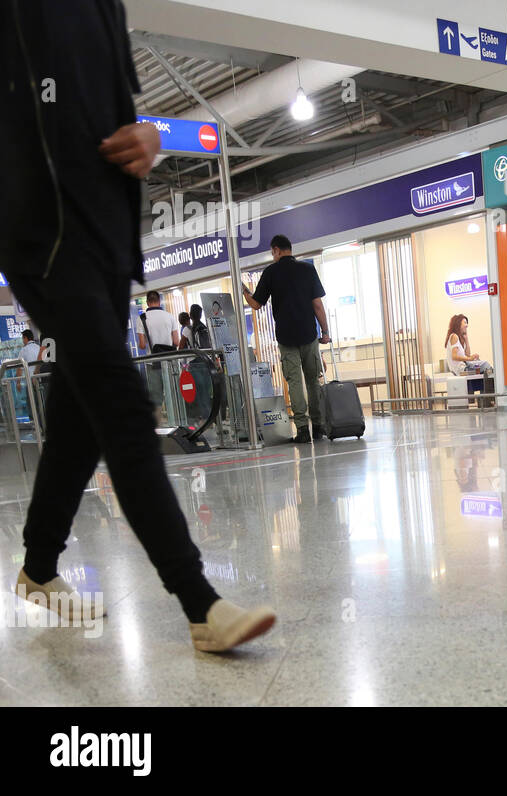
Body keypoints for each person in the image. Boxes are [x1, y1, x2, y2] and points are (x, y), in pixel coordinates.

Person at [0, 0, 274, 651]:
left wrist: (150, 137)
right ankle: (199, 602)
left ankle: (38, 569)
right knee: (122, 402)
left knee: (78, 411)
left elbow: (107, 115)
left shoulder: (105, 9)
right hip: (43, 231)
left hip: (104, 234)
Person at [241, 234, 330, 443]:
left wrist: (244, 290)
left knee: (295, 383)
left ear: (276, 250)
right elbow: (317, 305)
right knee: (313, 381)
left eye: (273, 253)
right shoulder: (307, 270)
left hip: (286, 337)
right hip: (309, 334)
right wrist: (325, 332)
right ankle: (318, 427)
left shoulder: (271, 272)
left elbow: (255, 304)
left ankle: (302, 430)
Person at [444, 314, 493, 396]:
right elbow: (454, 356)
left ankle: (485, 398)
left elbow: (467, 354)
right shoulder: (454, 336)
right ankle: (487, 398)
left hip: (464, 367)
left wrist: (466, 340)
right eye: (465, 322)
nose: (467, 325)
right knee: (487, 367)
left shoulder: (458, 338)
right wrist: (470, 359)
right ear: (458, 323)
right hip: (462, 370)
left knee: (486, 370)